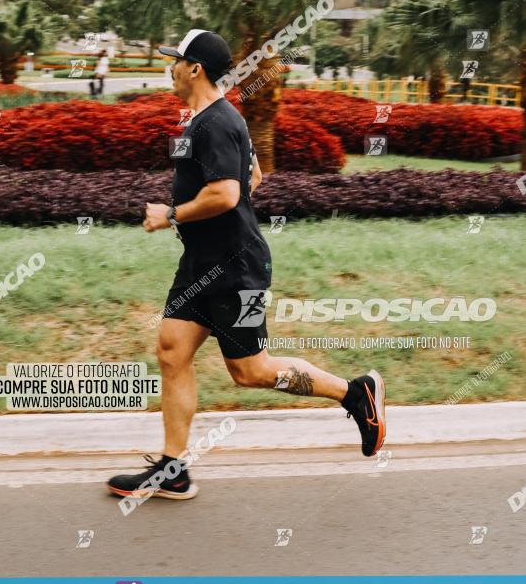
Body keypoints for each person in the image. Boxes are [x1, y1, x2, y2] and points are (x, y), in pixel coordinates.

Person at [107, 29, 386, 501]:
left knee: (251, 372)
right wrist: (209, 226)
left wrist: (172, 215)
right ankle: (173, 469)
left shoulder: (216, 122)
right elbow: (253, 175)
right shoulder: (211, 118)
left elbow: (228, 192)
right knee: (172, 348)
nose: (169, 68)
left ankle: (355, 394)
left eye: (175, 61)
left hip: (236, 270)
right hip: (202, 261)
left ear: (194, 68)